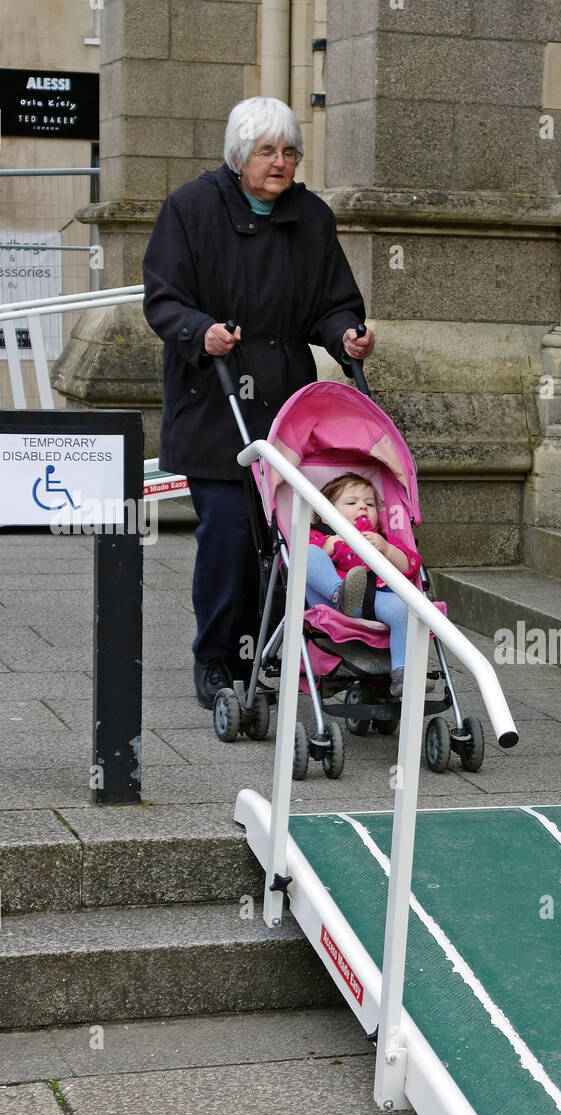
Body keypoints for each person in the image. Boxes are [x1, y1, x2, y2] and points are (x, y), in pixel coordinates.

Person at [142, 95, 375, 708]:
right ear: (239, 156)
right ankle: (217, 657)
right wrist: (201, 332)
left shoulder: (313, 218)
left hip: (287, 409)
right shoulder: (190, 210)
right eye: (267, 151)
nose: (280, 163)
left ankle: (277, 647)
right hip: (214, 402)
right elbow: (162, 300)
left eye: (290, 152)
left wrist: (347, 332)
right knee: (227, 532)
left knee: (287, 535)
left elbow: (333, 303)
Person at [306, 474, 429, 699]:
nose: (362, 507)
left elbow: (411, 566)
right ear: (324, 513)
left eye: (370, 504)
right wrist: (328, 546)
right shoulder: (320, 537)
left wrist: (387, 550)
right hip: (331, 602)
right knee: (305, 554)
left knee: (404, 609)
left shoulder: (382, 540)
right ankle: (339, 593)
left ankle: (403, 672)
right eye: (351, 503)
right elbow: (306, 565)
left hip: (377, 600)